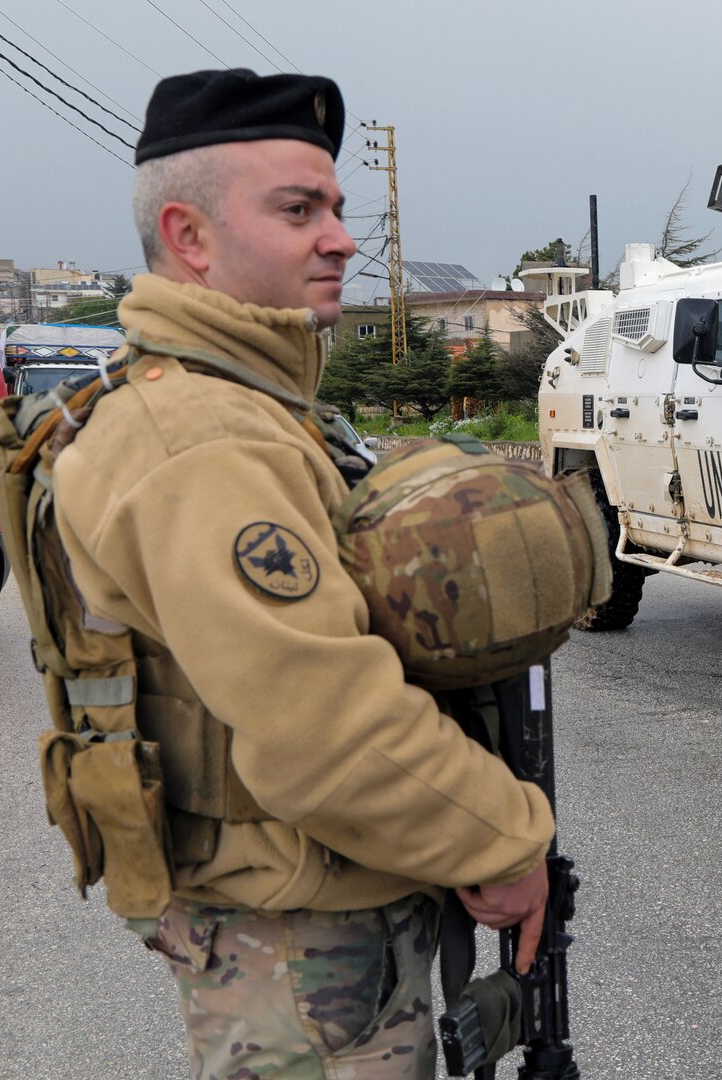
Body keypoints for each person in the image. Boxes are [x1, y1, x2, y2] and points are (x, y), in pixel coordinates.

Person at [46, 69, 553, 1078]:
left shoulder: (247, 406)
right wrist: (503, 842)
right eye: (299, 210)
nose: (342, 239)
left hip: (314, 928)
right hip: (296, 950)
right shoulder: (203, 439)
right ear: (189, 236)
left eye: (336, 207)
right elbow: (321, 730)